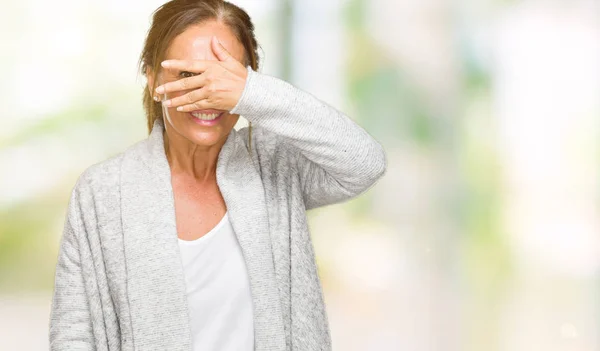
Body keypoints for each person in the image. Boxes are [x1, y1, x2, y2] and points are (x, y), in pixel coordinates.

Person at [48, 0, 387, 350]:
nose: (207, 95)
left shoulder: (276, 164)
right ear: (152, 80)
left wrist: (252, 93)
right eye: (188, 76)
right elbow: (74, 333)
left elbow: (365, 162)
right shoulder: (102, 192)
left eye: (223, 76)